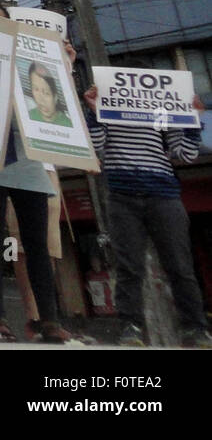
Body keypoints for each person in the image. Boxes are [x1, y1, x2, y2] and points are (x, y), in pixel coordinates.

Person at [82, 83, 212, 348]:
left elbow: (185, 154)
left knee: (180, 265)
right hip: (122, 195)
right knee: (129, 266)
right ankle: (131, 327)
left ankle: (196, 328)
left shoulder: (164, 113)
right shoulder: (108, 112)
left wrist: (193, 119)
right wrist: (94, 111)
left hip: (163, 194)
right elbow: (96, 147)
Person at [0, 5, 69, 343]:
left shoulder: (30, 59)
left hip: (30, 161)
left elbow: (55, 102)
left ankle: (49, 318)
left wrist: (64, 63)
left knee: (37, 244)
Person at [26, 62, 71, 126]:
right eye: (36, 89)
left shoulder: (67, 124)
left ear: (55, 97)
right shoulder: (29, 116)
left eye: (46, 93)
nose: (41, 99)